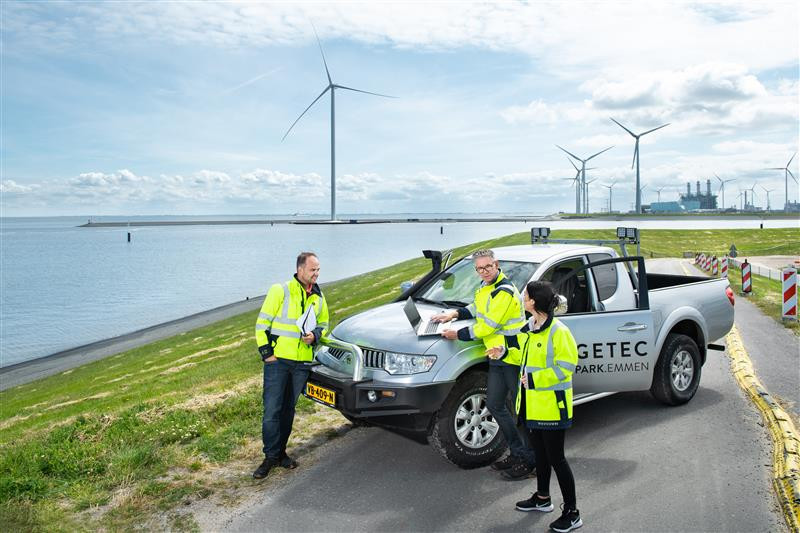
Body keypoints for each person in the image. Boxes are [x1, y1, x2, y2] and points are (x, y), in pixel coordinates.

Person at [487, 280, 582, 532]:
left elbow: (567, 366)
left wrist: (536, 379)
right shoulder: (530, 327)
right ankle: (542, 498)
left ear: (534, 302)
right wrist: (503, 353)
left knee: (557, 459)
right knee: (540, 455)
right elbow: (523, 356)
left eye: (525, 295)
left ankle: (572, 513)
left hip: (552, 407)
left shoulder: (559, 332)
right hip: (532, 405)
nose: (522, 298)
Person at [433, 249, 535, 480]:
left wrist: (457, 334)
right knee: (495, 404)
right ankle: (517, 453)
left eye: (488, 266)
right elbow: (477, 307)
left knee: (523, 411)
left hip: (512, 357)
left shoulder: (504, 291)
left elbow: (487, 326)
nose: (485, 271)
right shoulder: (485, 287)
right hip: (496, 356)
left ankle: (530, 462)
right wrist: (453, 314)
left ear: (496, 264)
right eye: (480, 268)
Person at [252, 252, 329, 479]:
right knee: (272, 411)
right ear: (300, 269)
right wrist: (267, 354)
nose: (316, 274)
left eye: (318, 270)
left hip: (301, 364)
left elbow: (324, 323)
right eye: (313, 269)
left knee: (288, 411)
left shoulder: (319, 297)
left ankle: (281, 454)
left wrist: (315, 336)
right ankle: (270, 457)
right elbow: (261, 325)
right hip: (278, 362)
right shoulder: (280, 290)